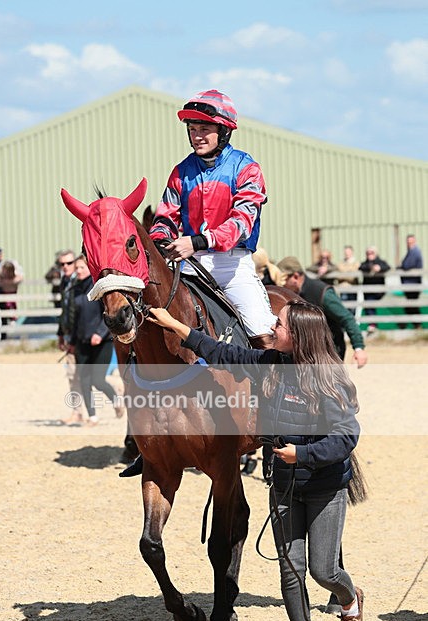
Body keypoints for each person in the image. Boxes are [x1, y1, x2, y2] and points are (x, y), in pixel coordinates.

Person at [147, 300, 365, 621]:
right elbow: (220, 352)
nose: (271, 326)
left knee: (322, 570)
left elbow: (346, 437)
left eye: (278, 324)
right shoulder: (270, 365)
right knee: (290, 567)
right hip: (283, 484)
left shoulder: (331, 378)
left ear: (297, 336)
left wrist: (303, 454)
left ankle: (350, 599)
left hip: (326, 486)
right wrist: (174, 325)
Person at [149, 89, 276, 343]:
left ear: (224, 131)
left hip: (232, 268)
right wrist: (162, 241)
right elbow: (164, 218)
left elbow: (241, 224)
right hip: (190, 267)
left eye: (204, 130)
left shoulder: (246, 169)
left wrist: (196, 241)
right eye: (192, 130)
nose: (197, 137)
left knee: (263, 336)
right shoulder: (181, 172)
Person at [275, 257, 367, 367]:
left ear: (295, 276)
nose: (281, 284)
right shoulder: (292, 294)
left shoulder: (322, 293)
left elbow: (347, 318)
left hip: (328, 352)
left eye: (284, 280)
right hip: (306, 353)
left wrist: (358, 347)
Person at [70, 255, 124, 426]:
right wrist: (70, 341)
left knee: (97, 380)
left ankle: (116, 400)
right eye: (76, 268)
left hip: (103, 341)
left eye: (81, 267)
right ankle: (92, 416)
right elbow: (73, 318)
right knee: (84, 379)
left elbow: (108, 313)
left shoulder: (99, 287)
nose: (78, 270)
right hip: (82, 342)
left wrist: (100, 334)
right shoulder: (75, 289)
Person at [56, 252, 83, 424]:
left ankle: (116, 392)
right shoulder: (65, 283)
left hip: (81, 337)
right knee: (72, 376)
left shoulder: (80, 282)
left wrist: (73, 339)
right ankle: (77, 412)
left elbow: (80, 313)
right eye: (62, 264)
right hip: (69, 335)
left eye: (69, 263)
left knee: (92, 376)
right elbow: (65, 311)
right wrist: (61, 334)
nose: (65, 266)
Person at [358, 246, 390, 332]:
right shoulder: (365, 263)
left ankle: (372, 324)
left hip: (378, 291)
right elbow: (361, 267)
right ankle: (372, 325)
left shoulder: (381, 262)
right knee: (368, 304)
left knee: (370, 303)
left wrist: (379, 268)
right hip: (368, 290)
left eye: (371, 253)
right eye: (368, 253)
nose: (369, 255)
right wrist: (370, 267)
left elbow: (387, 266)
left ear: (376, 253)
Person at [399, 234, 423, 329]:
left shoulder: (415, 252)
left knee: (411, 306)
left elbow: (407, 265)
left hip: (413, 284)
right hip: (409, 284)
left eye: (411, 242)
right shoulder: (411, 252)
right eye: (408, 242)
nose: (409, 244)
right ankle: (416, 325)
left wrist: (401, 266)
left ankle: (417, 325)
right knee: (410, 305)